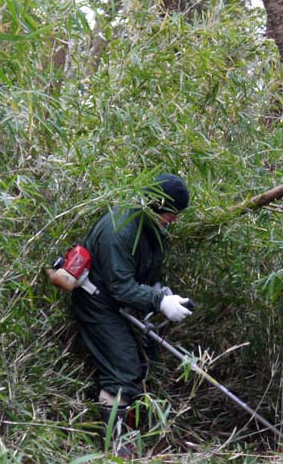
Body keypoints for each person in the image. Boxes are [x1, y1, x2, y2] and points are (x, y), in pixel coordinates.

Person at [70, 173, 192, 454]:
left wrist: (166, 295)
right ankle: (118, 448)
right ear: (155, 204)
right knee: (123, 368)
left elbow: (144, 275)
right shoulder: (120, 230)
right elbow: (121, 287)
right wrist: (159, 301)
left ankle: (137, 432)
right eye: (172, 214)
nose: (174, 220)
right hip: (97, 303)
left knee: (147, 360)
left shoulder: (149, 226)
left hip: (119, 302)